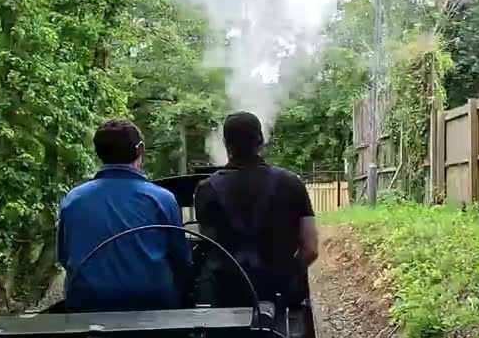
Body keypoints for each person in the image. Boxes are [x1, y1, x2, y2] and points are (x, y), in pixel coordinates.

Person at [56, 119, 190, 311]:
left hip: (88, 304)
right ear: (140, 149)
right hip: (152, 305)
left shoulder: (74, 198)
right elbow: (180, 260)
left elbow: (64, 255)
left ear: (98, 153)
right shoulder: (163, 199)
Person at [194, 111, 318, 306]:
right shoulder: (291, 183)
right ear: (260, 140)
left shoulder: (206, 189)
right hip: (282, 295)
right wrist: (287, 274)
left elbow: (210, 248)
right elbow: (311, 249)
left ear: (226, 144)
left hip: (228, 297)